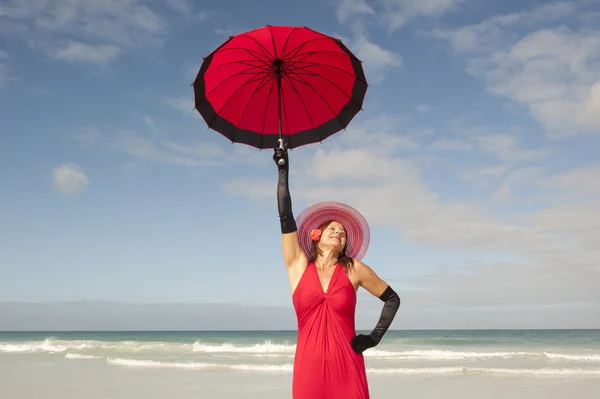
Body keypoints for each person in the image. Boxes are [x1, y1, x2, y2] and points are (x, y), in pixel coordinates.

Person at [273, 143, 401, 399]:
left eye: (342, 232)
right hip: (309, 367)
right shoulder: (298, 265)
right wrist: (283, 172)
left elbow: (392, 299)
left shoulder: (353, 269)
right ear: (316, 236)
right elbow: (286, 217)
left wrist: (373, 338)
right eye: (333, 228)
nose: (339, 232)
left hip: (347, 363)